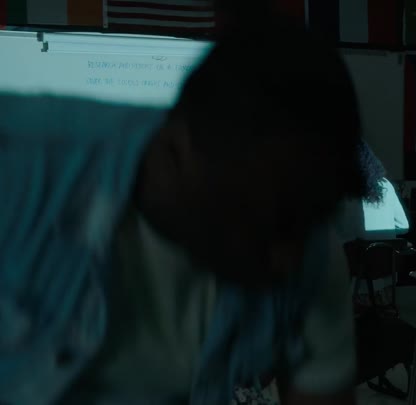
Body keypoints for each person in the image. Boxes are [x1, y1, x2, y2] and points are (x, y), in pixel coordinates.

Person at [0, 14, 365, 405]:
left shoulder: (309, 247)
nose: (288, 260)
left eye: (313, 217)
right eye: (269, 222)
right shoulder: (18, 172)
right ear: (176, 156)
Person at [337, 140, 409, 307]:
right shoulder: (385, 185)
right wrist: (383, 229)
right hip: (386, 270)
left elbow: (344, 231)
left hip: (360, 272)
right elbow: (404, 226)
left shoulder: (347, 190)